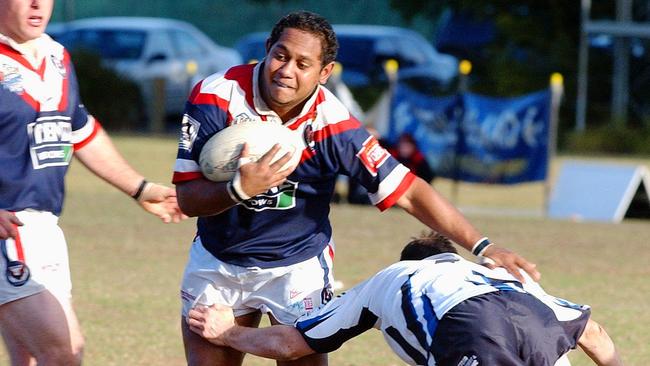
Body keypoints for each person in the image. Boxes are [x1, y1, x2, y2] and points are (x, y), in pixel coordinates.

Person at [172, 10, 539, 366]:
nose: (286, 71)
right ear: (267, 48)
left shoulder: (335, 125)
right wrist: (239, 188)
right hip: (218, 262)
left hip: (296, 269)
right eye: (280, 56)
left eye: (303, 64)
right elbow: (188, 200)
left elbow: (408, 190)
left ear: (325, 72)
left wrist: (484, 246)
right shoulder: (216, 96)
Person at [0, 1, 185, 365]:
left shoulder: (56, 56)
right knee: (63, 351)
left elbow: (80, 131)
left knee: (32, 357)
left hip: (43, 227)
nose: (38, 4)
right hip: (8, 231)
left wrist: (140, 188)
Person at [187, 232, 623, 366]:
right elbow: (596, 335)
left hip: (470, 329)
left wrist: (226, 333)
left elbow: (289, 345)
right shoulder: (498, 274)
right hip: (539, 324)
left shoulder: (393, 277)